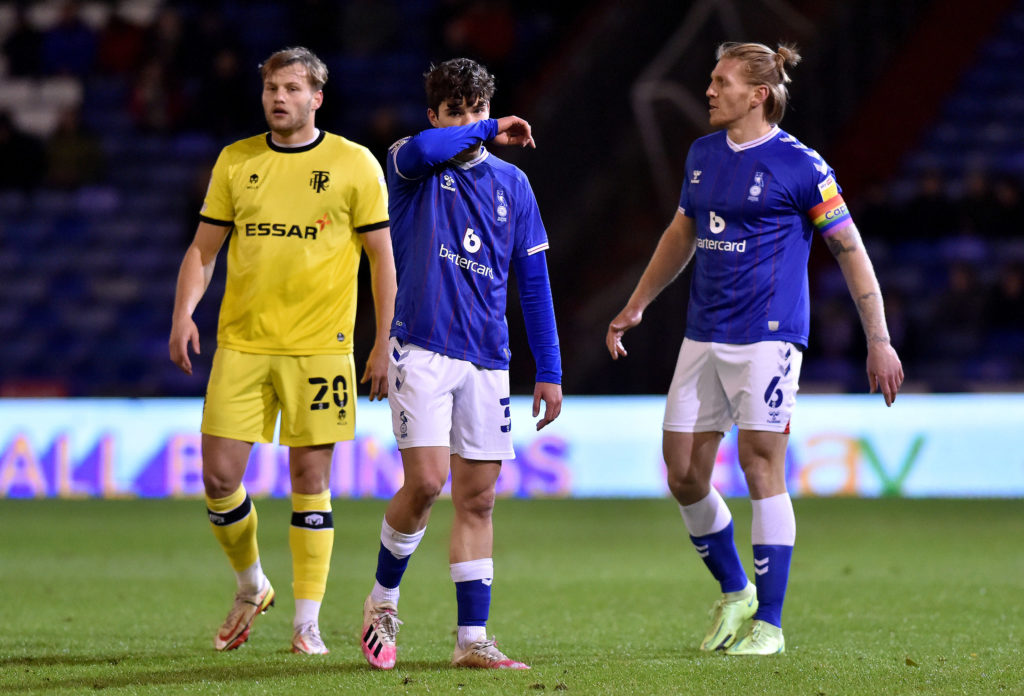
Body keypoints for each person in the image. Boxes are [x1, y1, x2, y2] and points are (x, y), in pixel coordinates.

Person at [606, 42, 903, 656]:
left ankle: (769, 624)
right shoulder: (702, 154)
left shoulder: (803, 166)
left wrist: (879, 339)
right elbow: (682, 232)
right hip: (703, 333)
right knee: (682, 473)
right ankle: (736, 589)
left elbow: (850, 251)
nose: (710, 91)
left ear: (758, 94)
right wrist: (638, 303)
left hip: (769, 337)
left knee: (760, 465)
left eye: (722, 82)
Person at [168, 46, 396, 656]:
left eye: (293, 88)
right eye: (272, 87)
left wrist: (382, 341)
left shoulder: (354, 163)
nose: (279, 97)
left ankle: (306, 624)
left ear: (316, 97)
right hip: (243, 343)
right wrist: (183, 313)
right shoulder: (236, 160)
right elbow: (203, 250)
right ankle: (252, 585)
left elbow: (382, 259)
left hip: (321, 347)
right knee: (219, 477)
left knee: (310, 479)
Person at [359, 57, 562, 671]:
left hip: (487, 359)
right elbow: (428, 148)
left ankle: (472, 640)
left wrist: (549, 368)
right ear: (434, 115)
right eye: (457, 112)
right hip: (421, 346)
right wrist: (491, 126)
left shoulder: (513, 186)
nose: (470, 122)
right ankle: (382, 600)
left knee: (478, 500)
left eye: (478, 109)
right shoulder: (411, 162)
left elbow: (534, 283)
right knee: (425, 483)